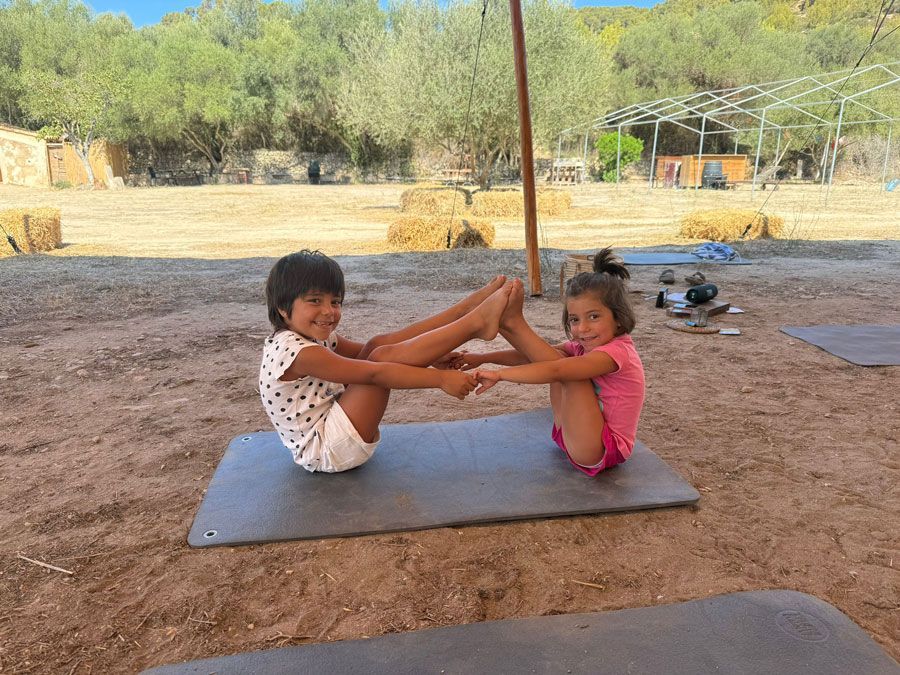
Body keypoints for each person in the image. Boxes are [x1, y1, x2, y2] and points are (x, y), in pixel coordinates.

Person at [261, 249, 511, 473]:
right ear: (283, 307)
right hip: (327, 450)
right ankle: (473, 324)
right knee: (379, 359)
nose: (329, 311)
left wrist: (433, 357)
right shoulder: (298, 352)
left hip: (334, 428)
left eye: (335, 302)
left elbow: (382, 349)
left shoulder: (306, 337)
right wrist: (441, 379)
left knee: (377, 345)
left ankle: (463, 312)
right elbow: (375, 374)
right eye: (315, 300)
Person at [460, 248, 645, 475]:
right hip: (569, 434)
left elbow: (556, 370)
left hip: (602, 449)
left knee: (569, 372)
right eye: (575, 319)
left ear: (618, 318)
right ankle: (506, 326)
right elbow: (532, 356)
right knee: (559, 358)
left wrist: (500, 376)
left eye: (594, 316)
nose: (582, 328)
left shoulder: (617, 352)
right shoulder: (583, 347)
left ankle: (512, 324)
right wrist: (481, 358)